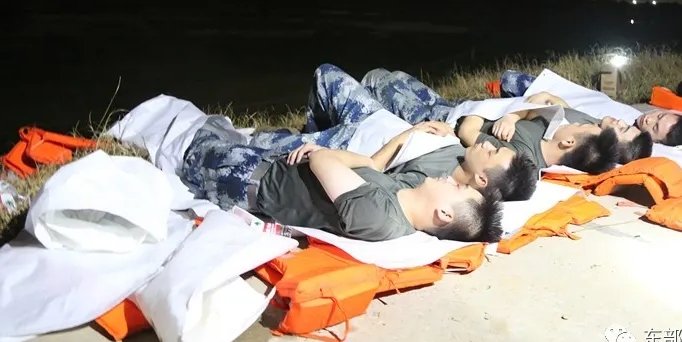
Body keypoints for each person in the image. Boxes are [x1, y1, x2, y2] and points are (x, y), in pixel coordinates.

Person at [181, 115, 507, 242]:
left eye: (457, 188)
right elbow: (370, 164)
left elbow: (322, 159)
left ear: (444, 214)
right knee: (212, 126)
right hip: (269, 166)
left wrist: (324, 154)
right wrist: (341, 158)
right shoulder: (404, 195)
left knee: (187, 137)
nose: (450, 179)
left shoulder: (379, 216)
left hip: (244, 179)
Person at [259, 63, 539, 202]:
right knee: (327, 73)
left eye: (491, 153)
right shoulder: (463, 156)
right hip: (375, 117)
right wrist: (449, 136)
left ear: (481, 179)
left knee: (261, 144)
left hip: (352, 142)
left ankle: (315, 135)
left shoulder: (432, 183)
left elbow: (374, 171)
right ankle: (316, 128)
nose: (487, 145)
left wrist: (407, 136)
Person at [359, 68, 651, 166]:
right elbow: (544, 103)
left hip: (451, 117)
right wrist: (514, 115)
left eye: (622, 130)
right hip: (464, 109)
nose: (620, 122)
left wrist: (511, 115)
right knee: (391, 77)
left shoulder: (531, 150)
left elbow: (469, 134)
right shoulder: (576, 129)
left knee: (379, 80)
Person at [494, 68, 682, 146]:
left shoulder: (623, 135)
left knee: (509, 82)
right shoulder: (634, 116)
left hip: (545, 104)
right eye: (659, 116)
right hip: (556, 93)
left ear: (656, 141)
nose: (649, 119)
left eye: (654, 128)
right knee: (510, 79)